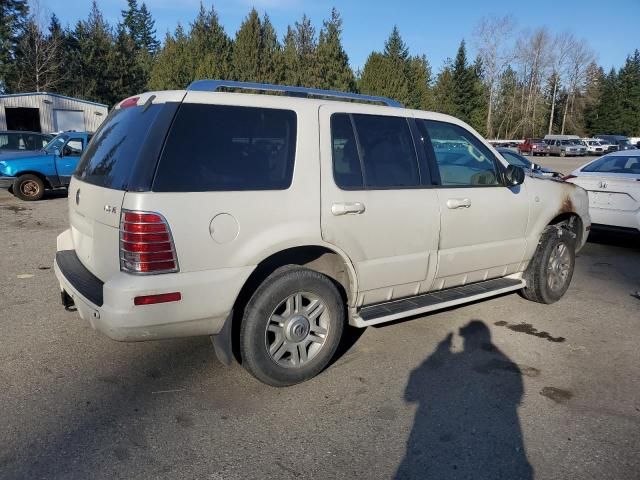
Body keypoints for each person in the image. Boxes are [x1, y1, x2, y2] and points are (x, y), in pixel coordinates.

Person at [395, 320, 533, 479]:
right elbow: (516, 396)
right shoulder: (507, 363)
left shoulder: (458, 360)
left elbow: (410, 395)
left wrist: (437, 354)